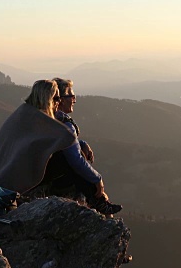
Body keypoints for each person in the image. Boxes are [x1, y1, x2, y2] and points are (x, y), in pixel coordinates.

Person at [0, 80, 76, 194]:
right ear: (48, 99)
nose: (59, 102)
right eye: (56, 98)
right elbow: (67, 136)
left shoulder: (25, 112)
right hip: (3, 185)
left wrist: (81, 144)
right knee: (65, 158)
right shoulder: (37, 117)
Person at [42, 77, 122, 214]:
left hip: (39, 174)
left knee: (77, 152)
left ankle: (99, 201)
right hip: (51, 179)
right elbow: (75, 160)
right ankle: (98, 200)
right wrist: (97, 180)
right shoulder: (65, 125)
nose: (74, 99)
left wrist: (81, 143)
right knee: (76, 161)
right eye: (71, 95)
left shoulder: (45, 118)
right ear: (59, 99)